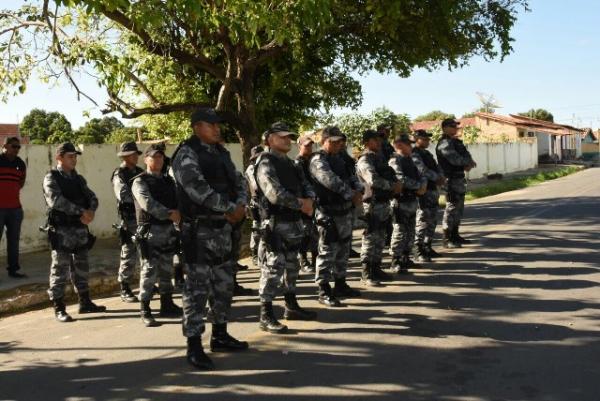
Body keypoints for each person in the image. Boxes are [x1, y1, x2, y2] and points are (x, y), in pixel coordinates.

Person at [171, 107, 248, 370]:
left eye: (218, 125)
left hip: (224, 230)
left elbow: (239, 182)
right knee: (197, 291)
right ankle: (194, 345)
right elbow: (197, 190)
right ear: (196, 127)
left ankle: (221, 335)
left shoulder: (221, 153)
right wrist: (230, 209)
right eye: (211, 125)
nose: (217, 129)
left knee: (224, 286)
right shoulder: (186, 154)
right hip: (199, 233)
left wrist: (240, 205)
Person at [255, 122, 317, 333]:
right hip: (276, 224)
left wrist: (310, 200)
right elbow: (274, 193)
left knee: (292, 267)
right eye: (282, 137)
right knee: (273, 269)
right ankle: (266, 314)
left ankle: (291, 306)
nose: (287, 140)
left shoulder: (292, 164)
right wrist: (302, 204)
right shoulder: (265, 162)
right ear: (270, 139)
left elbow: (307, 185)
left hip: (294, 222)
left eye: (289, 137)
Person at [42, 142, 106, 322]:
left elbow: (92, 197)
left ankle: (85, 302)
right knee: (59, 269)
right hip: (62, 230)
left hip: (79, 230)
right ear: (59, 157)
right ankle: (59, 307)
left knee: (82, 266)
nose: (74, 159)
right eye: (70, 156)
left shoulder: (78, 179)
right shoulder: (51, 177)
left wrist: (91, 211)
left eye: (75, 156)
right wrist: (81, 212)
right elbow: (56, 201)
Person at [309, 126, 363, 307]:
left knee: (343, 249)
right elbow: (329, 180)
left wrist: (358, 189)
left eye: (340, 141)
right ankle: (323, 290)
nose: (339, 144)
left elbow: (352, 175)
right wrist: (351, 193)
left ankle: (340, 283)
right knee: (327, 251)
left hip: (344, 211)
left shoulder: (341, 158)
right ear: (324, 141)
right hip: (328, 212)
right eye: (334, 141)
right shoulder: (318, 159)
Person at [131, 144, 183, 327]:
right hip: (151, 231)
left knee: (167, 268)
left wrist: (179, 215)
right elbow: (147, 203)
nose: (158, 160)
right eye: (154, 157)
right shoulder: (140, 181)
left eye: (161, 157)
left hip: (169, 230)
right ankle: (145, 309)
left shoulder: (168, 181)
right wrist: (170, 213)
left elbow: (179, 199)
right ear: (146, 159)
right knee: (149, 271)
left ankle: (167, 304)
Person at [356, 130, 402, 286]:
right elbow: (373, 180)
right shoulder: (365, 160)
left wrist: (395, 184)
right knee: (370, 238)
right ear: (367, 142)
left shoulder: (379, 158)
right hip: (372, 204)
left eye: (380, 139)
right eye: (376, 140)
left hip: (383, 202)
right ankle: (366, 272)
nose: (379, 142)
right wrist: (392, 186)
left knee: (381, 237)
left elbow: (389, 174)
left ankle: (376, 268)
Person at [435, 118, 477, 248]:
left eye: (456, 126)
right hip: (450, 179)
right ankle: (447, 238)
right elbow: (455, 159)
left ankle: (455, 234)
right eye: (452, 126)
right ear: (445, 127)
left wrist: (468, 162)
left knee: (459, 208)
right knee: (452, 208)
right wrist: (467, 163)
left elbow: (466, 155)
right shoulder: (444, 143)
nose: (455, 128)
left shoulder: (456, 142)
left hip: (458, 178)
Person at [389, 135, 427, 274]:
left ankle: (406, 257)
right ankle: (395, 260)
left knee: (410, 231)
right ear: (398, 145)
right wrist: (418, 186)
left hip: (412, 200)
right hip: (401, 201)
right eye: (408, 144)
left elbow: (421, 174)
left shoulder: (409, 159)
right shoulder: (395, 160)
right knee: (399, 231)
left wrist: (422, 185)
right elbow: (399, 178)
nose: (411, 147)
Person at [111, 142, 143, 302]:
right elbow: (123, 195)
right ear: (124, 156)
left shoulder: (140, 172)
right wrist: (142, 200)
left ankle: (146, 283)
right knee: (129, 253)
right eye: (133, 154)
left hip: (142, 218)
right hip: (129, 219)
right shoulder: (120, 174)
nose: (136, 156)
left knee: (146, 252)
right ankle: (125, 287)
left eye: (136, 153)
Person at [412, 130, 446, 262]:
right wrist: (437, 177)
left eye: (428, 139)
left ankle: (427, 246)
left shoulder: (427, 153)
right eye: (424, 138)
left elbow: (437, 167)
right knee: (422, 221)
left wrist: (441, 176)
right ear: (416, 139)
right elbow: (422, 170)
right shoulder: (414, 154)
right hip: (423, 191)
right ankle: (418, 250)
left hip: (432, 190)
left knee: (432, 220)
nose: (427, 141)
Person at [0, 137, 27, 278]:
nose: (16, 149)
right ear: (5, 146)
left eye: (18, 147)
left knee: (14, 241)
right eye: (13, 146)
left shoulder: (20, 164)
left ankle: (13, 270)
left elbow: (21, 183)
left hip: (15, 209)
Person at [294, 134, 318, 272]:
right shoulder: (298, 162)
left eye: (310, 145)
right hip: (305, 202)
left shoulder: (313, 160)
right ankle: (303, 260)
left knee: (315, 233)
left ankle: (316, 259)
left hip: (316, 201)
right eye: (306, 145)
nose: (309, 147)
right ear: (299, 146)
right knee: (305, 234)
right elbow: (300, 185)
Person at [245, 145, 265, 267]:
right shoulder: (251, 169)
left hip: (265, 202)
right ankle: (255, 254)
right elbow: (256, 186)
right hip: (257, 203)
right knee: (257, 229)